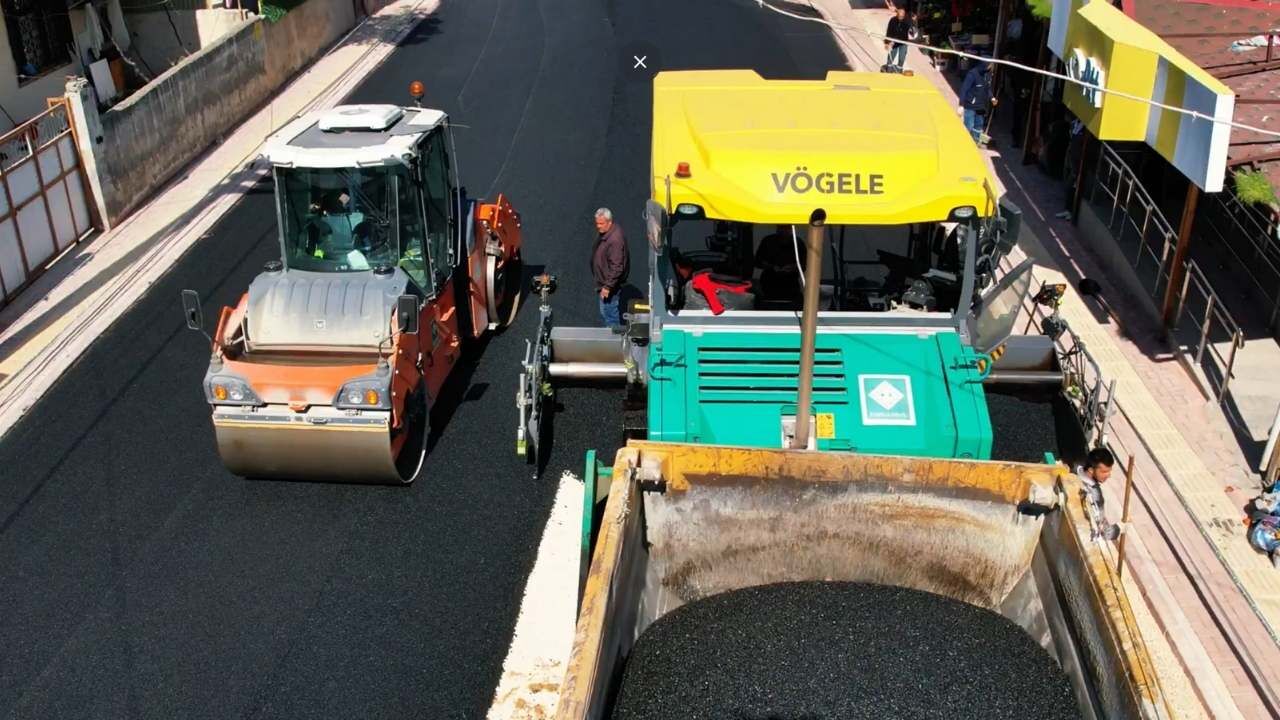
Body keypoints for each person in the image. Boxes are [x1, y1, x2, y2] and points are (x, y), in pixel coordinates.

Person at [592, 207, 629, 328]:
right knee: (606, 312)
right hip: (605, 282)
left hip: (610, 287)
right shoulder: (608, 232)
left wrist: (607, 287)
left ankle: (614, 341)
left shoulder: (615, 240)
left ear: (610, 222)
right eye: (597, 223)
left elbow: (617, 267)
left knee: (610, 315)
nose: (598, 226)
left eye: (601, 223)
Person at [1076, 447, 1121, 542]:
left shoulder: (1076, 471)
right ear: (1091, 470)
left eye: (1109, 471)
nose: (1109, 475)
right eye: (1104, 471)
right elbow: (1103, 532)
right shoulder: (1090, 495)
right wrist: (1119, 527)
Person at [754, 224, 801, 304]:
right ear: (777, 228)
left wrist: (792, 267)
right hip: (769, 283)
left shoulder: (797, 243)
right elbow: (757, 261)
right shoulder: (768, 241)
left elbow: (804, 264)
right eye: (781, 228)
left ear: (790, 229)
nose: (783, 231)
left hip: (790, 284)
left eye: (786, 228)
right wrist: (771, 267)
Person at [959, 58, 995, 143]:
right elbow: (964, 89)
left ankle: (975, 142)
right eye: (990, 65)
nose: (991, 67)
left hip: (981, 106)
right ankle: (965, 144)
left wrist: (992, 97)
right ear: (984, 64)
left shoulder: (987, 74)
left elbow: (987, 88)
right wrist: (961, 105)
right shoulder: (972, 74)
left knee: (978, 126)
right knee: (969, 126)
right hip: (970, 106)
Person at [884, 5, 915, 72]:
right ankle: (888, 69)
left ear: (904, 15)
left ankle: (899, 70)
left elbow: (910, 25)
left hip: (903, 42)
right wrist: (887, 43)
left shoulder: (907, 21)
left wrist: (912, 20)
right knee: (891, 57)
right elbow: (889, 31)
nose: (900, 18)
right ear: (897, 14)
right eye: (899, 16)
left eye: (902, 16)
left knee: (902, 58)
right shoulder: (893, 20)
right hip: (894, 42)